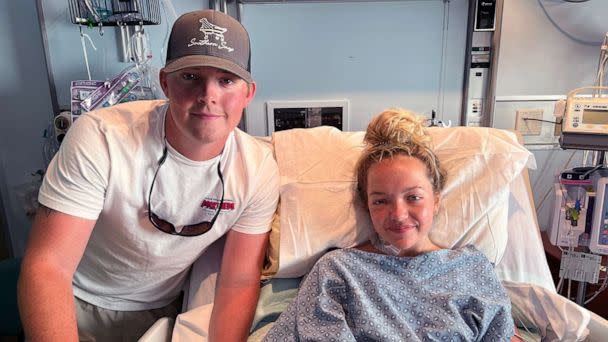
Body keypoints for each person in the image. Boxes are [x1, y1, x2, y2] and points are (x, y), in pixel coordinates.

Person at [18, 9, 278, 342]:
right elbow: (48, 268)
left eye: (226, 80)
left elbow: (237, 281)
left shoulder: (257, 171)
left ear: (248, 93)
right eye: (190, 77)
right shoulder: (101, 138)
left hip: (163, 310)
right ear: (165, 82)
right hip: (76, 300)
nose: (208, 96)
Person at [263, 109, 516, 341]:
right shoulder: (339, 270)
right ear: (366, 205)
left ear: (436, 200)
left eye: (413, 197)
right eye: (381, 201)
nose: (398, 213)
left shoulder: (472, 269)